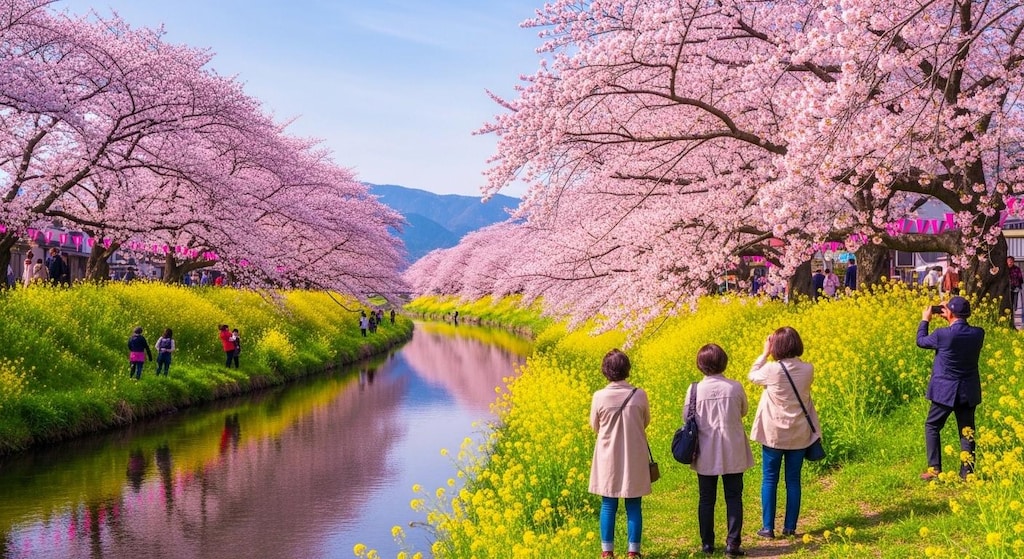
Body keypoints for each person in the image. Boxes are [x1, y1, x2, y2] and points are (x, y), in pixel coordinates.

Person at [749, 326, 821, 539]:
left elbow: (752, 376)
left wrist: (764, 353)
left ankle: (768, 528)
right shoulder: (808, 369)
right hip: (799, 433)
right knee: (793, 480)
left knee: (770, 479)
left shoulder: (772, 369)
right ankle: (790, 527)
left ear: (776, 346)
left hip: (774, 434)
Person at [687, 343, 753, 558]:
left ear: (700, 365)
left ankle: (707, 544)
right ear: (724, 362)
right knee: (734, 497)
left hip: (705, 451)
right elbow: (743, 411)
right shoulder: (735, 387)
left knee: (706, 499)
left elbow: (686, 417)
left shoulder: (694, 390)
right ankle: (733, 544)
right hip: (732, 449)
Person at [589, 349, 651, 559]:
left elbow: (594, 425)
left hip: (608, 456)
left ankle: (607, 551)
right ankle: (633, 552)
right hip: (635, 454)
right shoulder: (639, 394)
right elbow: (645, 421)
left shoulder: (599, 396)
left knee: (608, 504)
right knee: (634, 504)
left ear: (605, 371)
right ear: (627, 369)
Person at [916, 297, 985, 480]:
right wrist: (950, 315)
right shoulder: (978, 333)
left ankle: (934, 469)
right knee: (967, 431)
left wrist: (925, 320)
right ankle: (967, 473)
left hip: (944, 392)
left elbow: (921, 341)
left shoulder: (942, 334)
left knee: (932, 426)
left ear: (950, 313)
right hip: (968, 390)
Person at [1009, 257, 1023, 328]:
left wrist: (1018, 285)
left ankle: (1013, 316)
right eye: (1008, 261)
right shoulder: (1005, 269)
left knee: (1014, 305)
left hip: (1015, 288)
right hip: (1007, 289)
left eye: (1011, 261)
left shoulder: (1017, 269)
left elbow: (1020, 279)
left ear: (1013, 262)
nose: (1010, 263)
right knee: (1008, 304)